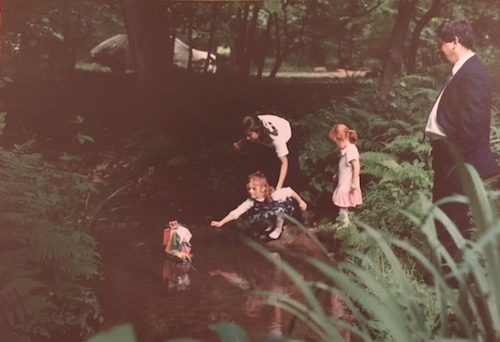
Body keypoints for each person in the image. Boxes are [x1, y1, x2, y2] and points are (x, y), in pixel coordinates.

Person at [424, 19, 499, 261]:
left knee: (453, 220)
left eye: (441, 43)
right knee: (444, 217)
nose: (439, 49)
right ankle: (449, 275)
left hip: (457, 160)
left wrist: (456, 162)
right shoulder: (464, 71)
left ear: (455, 41)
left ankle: (456, 281)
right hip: (449, 158)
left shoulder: (472, 73)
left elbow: (473, 126)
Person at [211, 172, 307, 240]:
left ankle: (278, 229)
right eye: (249, 189)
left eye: (254, 189)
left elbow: (289, 191)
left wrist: (301, 201)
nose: (250, 191)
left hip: (285, 210)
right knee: (252, 217)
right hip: (269, 212)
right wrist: (221, 222)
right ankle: (270, 223)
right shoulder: (251, 201)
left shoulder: (274, 194)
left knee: (278, 209)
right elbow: (237, 212)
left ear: (263, 188)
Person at [233, 114, 298, 190]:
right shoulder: (254, 123)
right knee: (264, 167)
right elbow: (249, 131)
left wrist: (279, 187)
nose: (247, 138)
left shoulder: (276, 139)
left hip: (286, 137)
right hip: (266, 139)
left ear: (258, 130)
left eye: (249, 135)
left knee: (289, 174)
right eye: (245, 135)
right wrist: (241, 142)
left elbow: (284, 162)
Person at [329, 124, 362, 228]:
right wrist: (337, 174)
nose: (336, 145)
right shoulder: (346, 149)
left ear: (342, 139)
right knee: (342, 204)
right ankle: (343, 221)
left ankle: (345, 224)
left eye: (336, 143)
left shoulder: (351, 150)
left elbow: (356, 167)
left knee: (342, 204)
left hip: (348, 183)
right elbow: (344, 165)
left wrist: (353, 183)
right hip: (343, 181)